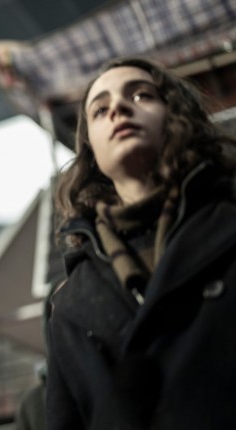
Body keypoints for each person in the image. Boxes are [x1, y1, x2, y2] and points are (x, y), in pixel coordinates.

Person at [47, 56, 236, 430]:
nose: (118, 108)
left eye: (141, 95)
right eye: (100, 110)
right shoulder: (68, 304)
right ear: (90, 148)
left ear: (176, 114)